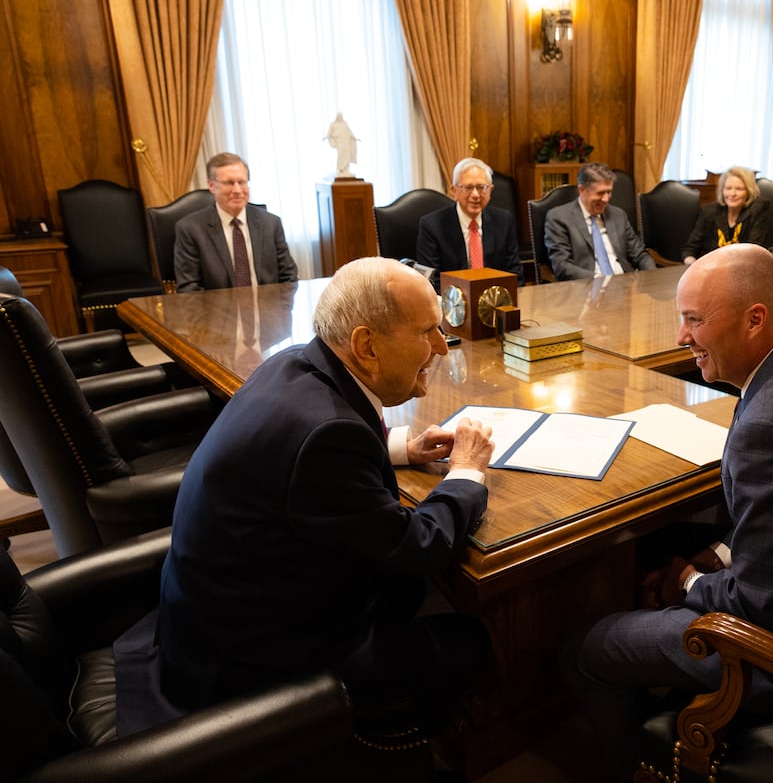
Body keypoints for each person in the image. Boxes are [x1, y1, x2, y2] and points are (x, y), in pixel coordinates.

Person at [560, 245, 773, 780]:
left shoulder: (771, 424)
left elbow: (760, 605)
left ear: (754, 320)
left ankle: (645, 765)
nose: (681, 337)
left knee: (584, 647)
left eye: (694, 320)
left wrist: (688, 581)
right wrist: (713, 557)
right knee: (661, 547)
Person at [119, 257, 495, 742]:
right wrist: (467, 472)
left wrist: (402, 447)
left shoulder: (296, 364)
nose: (442, 347)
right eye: (428, 331)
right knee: (472, 636)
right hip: (252, 663)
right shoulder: (327, 436)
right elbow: (418, 549)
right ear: (366, 346)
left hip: (204, 623)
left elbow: (299, 449)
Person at [174, 152, 298, 292]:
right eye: (229, 183)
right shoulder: (190, 229)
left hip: (268, 304)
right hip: (216, 306)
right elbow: (189, 290)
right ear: (211, 185)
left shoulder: (271, 223)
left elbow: (289, 278)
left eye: (242, 182)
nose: (238, 190)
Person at [415, 157, 523, 292]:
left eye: (481, 187)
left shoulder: (503, 221)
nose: (476, 194)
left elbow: (515, 274)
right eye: (468, 188)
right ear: (454, 190)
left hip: (496, 300)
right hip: (452, 301)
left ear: (490, 190)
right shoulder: (432, 226)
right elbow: (430, 282)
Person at [545, 163, 656, 280]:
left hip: (624, 283)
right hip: (586, 285)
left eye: (609, 192)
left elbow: (640, 255)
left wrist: (654, 276)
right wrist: (601, 280)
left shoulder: (618, 215)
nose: (606, 199)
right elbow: (562, 266)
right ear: (582, 190)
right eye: (600, 193)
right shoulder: (559, 218)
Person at [680, 166, 770, 264]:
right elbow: (690, 250)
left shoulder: (757, 210)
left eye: (739, 189)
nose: (732, 194)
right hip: (709, 267)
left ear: (749, 191)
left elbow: (754, 253)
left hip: (743, 267)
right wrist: (694, 266)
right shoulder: (709, 211)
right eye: (728, 188)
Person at [325, 112, 358, 177]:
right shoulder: (333, 124)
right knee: (341, 155)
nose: (340, 117)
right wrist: (328, 137)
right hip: (339, 142)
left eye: (341, 116)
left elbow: (349, 131)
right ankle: (340, 169)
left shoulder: (344, 123)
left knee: (347, 155)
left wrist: (354, 137)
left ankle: (346, 169)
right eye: (338, 116)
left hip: (346, 141)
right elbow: (329, 133)